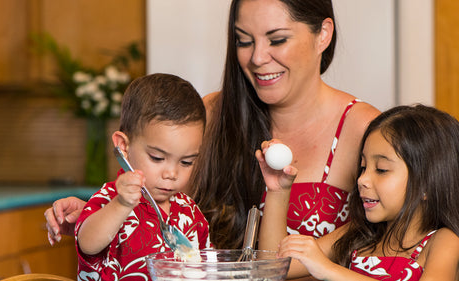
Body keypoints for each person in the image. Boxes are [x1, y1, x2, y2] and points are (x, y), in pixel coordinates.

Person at [45, 0, 380, 250]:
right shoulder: (211, 113)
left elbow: (384, 237)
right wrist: (97, 213)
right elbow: (161, 205)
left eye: (277, 40)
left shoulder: (365, 129)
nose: (257, 58)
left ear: (323, 34)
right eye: (244, 41)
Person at [258, 104, 459, 281]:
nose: (362, 179)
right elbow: (271, 268)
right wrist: (278, 190)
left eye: (381, 169)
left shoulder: (444, 241)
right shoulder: (358, 234)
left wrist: (328, 270)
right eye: (363, 167)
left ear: (428, 184)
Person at [75, 73, 211, 281]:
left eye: (186, 162)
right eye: (157, 158)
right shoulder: (109, 198)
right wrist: (121, 204)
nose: (171, 174)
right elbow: (88, 243)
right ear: (123, 147)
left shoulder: (190, 211)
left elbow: (206, 265)